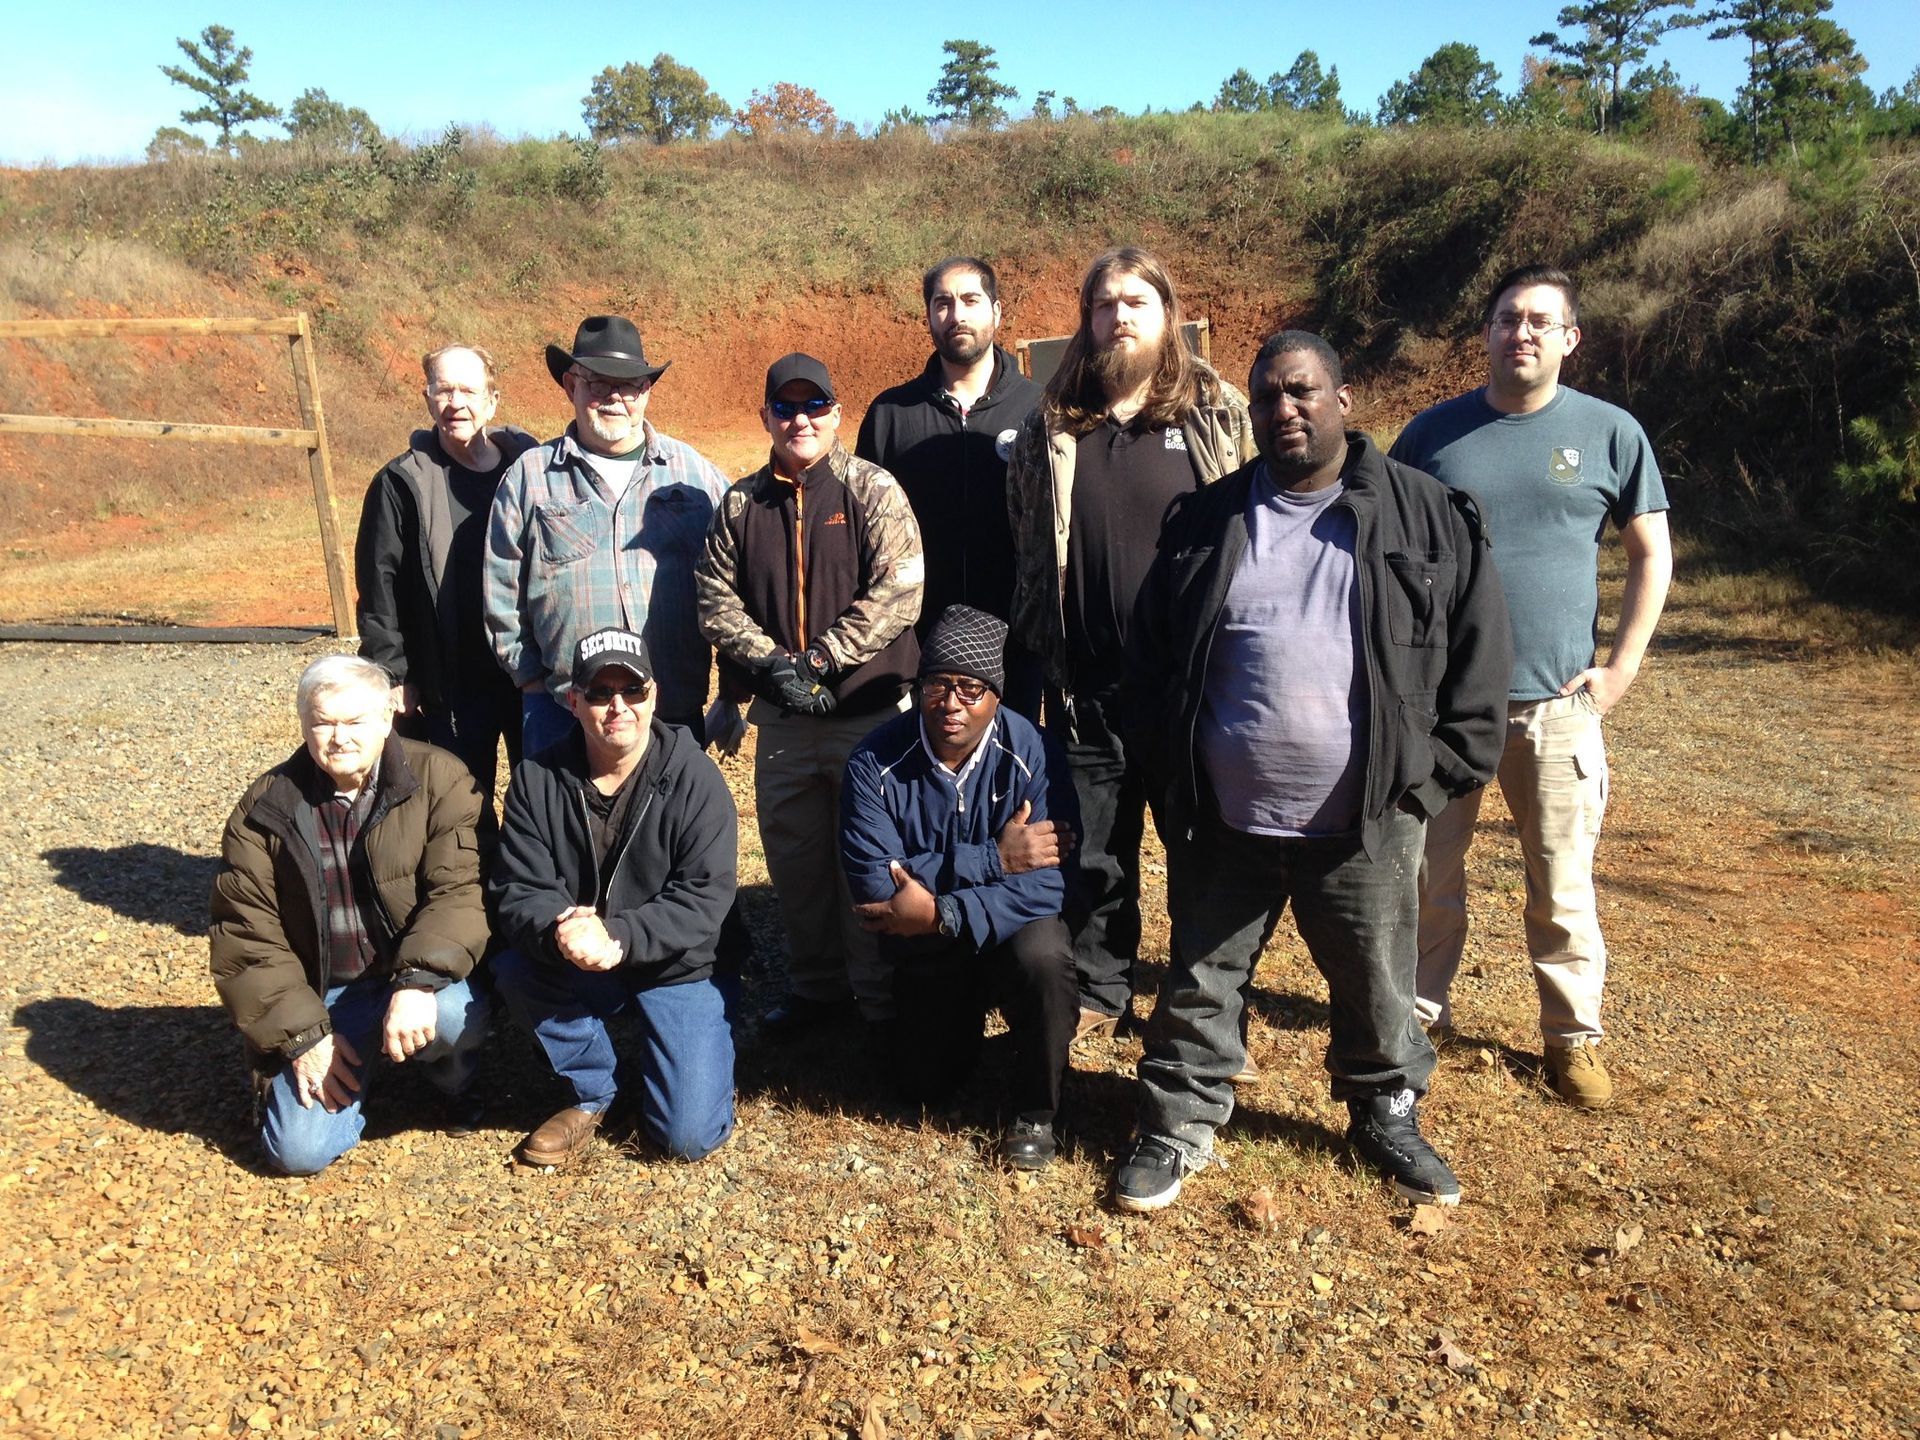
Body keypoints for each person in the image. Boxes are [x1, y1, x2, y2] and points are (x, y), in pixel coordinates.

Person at [1112, 331, 1511, 1213]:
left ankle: (1386, 1112)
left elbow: (1480, 667)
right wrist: (1175, 773)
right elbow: (1148, 666)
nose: (1282, 410)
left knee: (1377, 983)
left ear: (1344, 398)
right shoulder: (1208, 521)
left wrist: (1423, 783)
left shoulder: (1429, 515)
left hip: (1367, 819)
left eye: (1300, 391)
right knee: (1199, 983)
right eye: (1266, 397)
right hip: (1226, 817)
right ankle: (1177, 1123)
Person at [1390, 263, 1672, 1110]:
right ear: (1485, 332)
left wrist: (1620, 670)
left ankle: (1572, 1040)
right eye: (1509, 318)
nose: (1523, 332)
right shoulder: (1431, 437)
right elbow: (1387, 550)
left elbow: (1651, 553)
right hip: (1443, 709)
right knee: (1426, 877)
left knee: (1561, 882)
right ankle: (1415, 1016)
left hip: (1556, 708)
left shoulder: (1610, 432)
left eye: (1542, 321)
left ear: (1569, 338)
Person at [1005, 246, 1255, 1040]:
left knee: (1202, 858)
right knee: (1096, 854)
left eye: (1136, 303)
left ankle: (1201, 1009)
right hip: (1087, 687)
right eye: (1105, 304)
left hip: (1193, 687)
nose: (1119, 317)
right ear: (1087, 320)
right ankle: (1100, 990)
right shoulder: (1054, 419)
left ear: (1167, 315)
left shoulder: (1213, 409)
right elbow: (1029, 544)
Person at [698, 353, 926, 1034]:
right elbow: (714, 596)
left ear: (836, 413)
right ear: (765, 416)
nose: (801, 419)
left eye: (815, 407)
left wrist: (822, 658)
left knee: (868, 858)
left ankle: (880, 1001)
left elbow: (901, 588)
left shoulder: (872, 490)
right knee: (796, 862)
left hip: (870, 715)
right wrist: (773, 665)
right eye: (786, 408)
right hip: (785, 721)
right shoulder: (741, 502)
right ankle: (817, 992)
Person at [210, 654, 491, 1175]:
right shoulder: (264, 808)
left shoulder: (440, 779)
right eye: (323, 722)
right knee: (298, 1154)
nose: (339, 737)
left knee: (453, 1014)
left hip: (407, 976)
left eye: (355, 721)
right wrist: (302, 1036)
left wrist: (418, 981)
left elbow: (457, 892)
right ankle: (345, 1073)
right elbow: (246, 937)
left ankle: (453, 1081)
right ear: (303, 725)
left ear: (387, 719)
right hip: (325, 993)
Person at [489, 629, 739, 1166]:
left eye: (633, 691)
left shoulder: (697, 778)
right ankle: (597, 1087)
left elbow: (705, 896)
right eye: (600, 694)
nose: (618, 707)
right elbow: (518, 888)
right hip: (577, 956)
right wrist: (563, 930)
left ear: (655, 696)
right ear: (573, 701)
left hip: (677, 966)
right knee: (514, 968)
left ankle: (693, 1045)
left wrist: (619, 936)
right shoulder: (536, 779)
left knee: (686, 1138)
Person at [840, 605, 1078, 1169]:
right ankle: (960, 1023)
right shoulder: (873, 762)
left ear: (997, 696)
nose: (951, 704)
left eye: (971, 689)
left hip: (1000, 930)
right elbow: (877, 885)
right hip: (923, 944)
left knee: (1044, 955)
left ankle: (1037, 1110)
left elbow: (1048, 886)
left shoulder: (1034, 753)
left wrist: (942, 910)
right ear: (918, 687)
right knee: (922, 1088)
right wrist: (994, 857)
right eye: (937, 685)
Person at [484, 315, 733, 757]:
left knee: (670, 827)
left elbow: (737, 578)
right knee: (561, 827)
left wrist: (732, 689)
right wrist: (532, 679)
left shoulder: (697, 475)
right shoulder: (530, 477)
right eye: (597, 383)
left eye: (630, 384)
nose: (614, 397)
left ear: (647, 391)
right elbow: (501, 588)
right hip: (564, 710)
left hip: (671, 710)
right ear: (569, 386)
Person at [356, 344, 538, 813]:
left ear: (492, 402)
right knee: (460, 803)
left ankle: (528, 884)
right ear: (428, 398)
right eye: (444, 390)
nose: (456, 402)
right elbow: (379, 585)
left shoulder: (530, 468)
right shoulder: (401, 481)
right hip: (454, 680)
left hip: (528, 671)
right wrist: (393, 673)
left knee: (538, 794)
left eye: (469, 390)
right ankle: (470, 884)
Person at [855, 257, 1043, 705]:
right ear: (928, 317)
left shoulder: (1043, 410)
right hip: (917, 646)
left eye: (971, 300)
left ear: (997, 313)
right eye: (942, 303)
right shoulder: (890, 415)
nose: (956, 315)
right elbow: (862, 536)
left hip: (1016, 642)